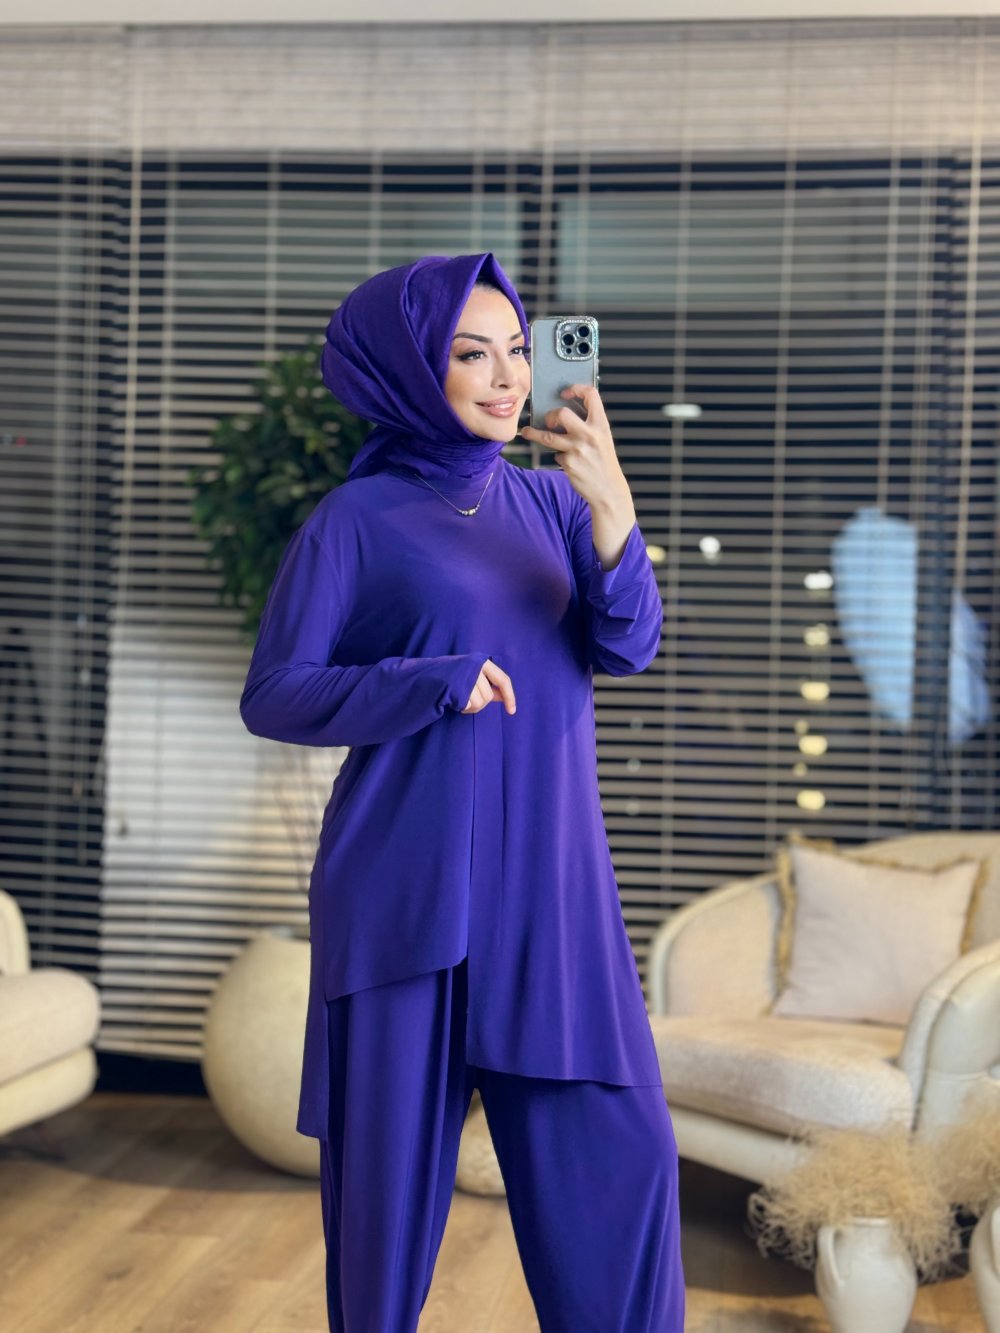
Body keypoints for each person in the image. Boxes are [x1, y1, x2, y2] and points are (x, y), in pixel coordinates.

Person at [239, 252, 685, 1333]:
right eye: (472, 353)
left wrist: (614, 512)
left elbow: (629, 645)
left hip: (549, 891)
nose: (507, 376)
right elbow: (275, 693)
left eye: (518, 351)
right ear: (408, 368)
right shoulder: (355, 519)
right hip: (404, 889)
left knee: (624, 1159)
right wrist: (424, 680)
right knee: (384, 1208)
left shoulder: (555, 503)